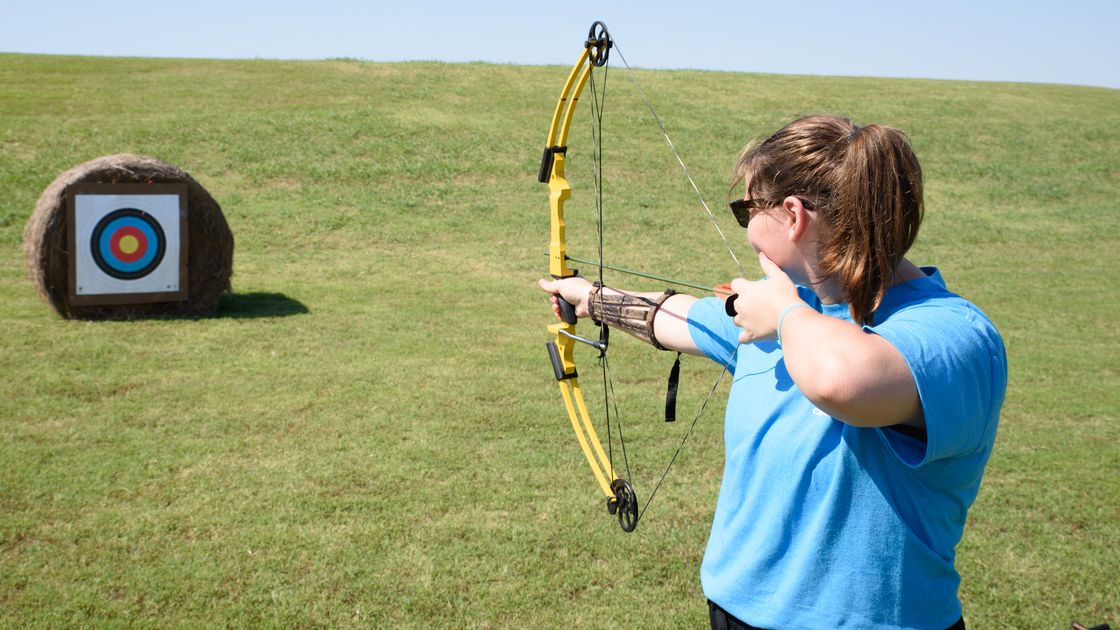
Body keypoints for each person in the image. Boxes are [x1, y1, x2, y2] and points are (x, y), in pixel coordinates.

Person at [538, 114, 1007, 630]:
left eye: (746, 209)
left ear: (792, 215)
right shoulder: (786, 306)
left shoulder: (954, 335)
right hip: (737, 613)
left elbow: (838, 381)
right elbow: (673, 316)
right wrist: (590, 299)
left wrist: (783, 315)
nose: (745, 229)